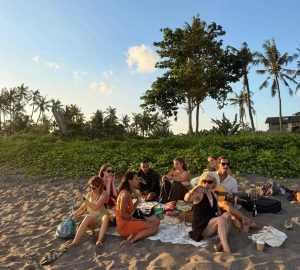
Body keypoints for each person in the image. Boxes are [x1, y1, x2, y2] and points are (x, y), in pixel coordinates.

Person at [184, 171, 231, 253]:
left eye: (209, 182)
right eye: (204, 181)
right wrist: (194, 189)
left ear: (214, 184)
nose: (206, 184)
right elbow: (186, 199)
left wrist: (222, 214)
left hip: (210, 223)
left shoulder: (214, 195)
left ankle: (220, 244)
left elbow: (218, 212)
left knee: (227, 215)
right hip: (201, 227)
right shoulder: (199, 194)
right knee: (221, 219)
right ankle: (227, 249)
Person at [64, 176, 110, 248]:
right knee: (87, 217)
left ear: (100, 186)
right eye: (91, 188)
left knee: (106, 217)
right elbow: (83, 208)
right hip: (94, 221)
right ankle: (75, 242)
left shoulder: (104, 194)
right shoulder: (89, 194)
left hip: (102, 219)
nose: (92, 190)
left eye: (94, 188)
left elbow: (95, 207)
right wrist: (73, 215)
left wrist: (83, 199)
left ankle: (99, 241)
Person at [116, 171, 160, 245]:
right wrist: (136, 220)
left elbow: (130, 211)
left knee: (157, 221)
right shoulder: (125, 194)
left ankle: (135, 233)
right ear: (129, 181)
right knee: (154, 228)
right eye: (136, 179)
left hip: (129, 221)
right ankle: (131, 241)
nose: (138, 181)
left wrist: (138, 201)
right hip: (124, 226)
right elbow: (122, 214)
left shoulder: (128, 193)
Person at [216, 156, 256, 231]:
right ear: (218, 164)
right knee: (227, 207)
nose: (226, 166)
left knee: (227, 205)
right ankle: (246, 221)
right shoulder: (211, 175)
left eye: (228, 164)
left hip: (222, 203)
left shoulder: (233, 181)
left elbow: (234, 198)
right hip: (209, 202)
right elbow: (200, 184)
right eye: (223, 164)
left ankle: (244, 222)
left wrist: (231, 198)